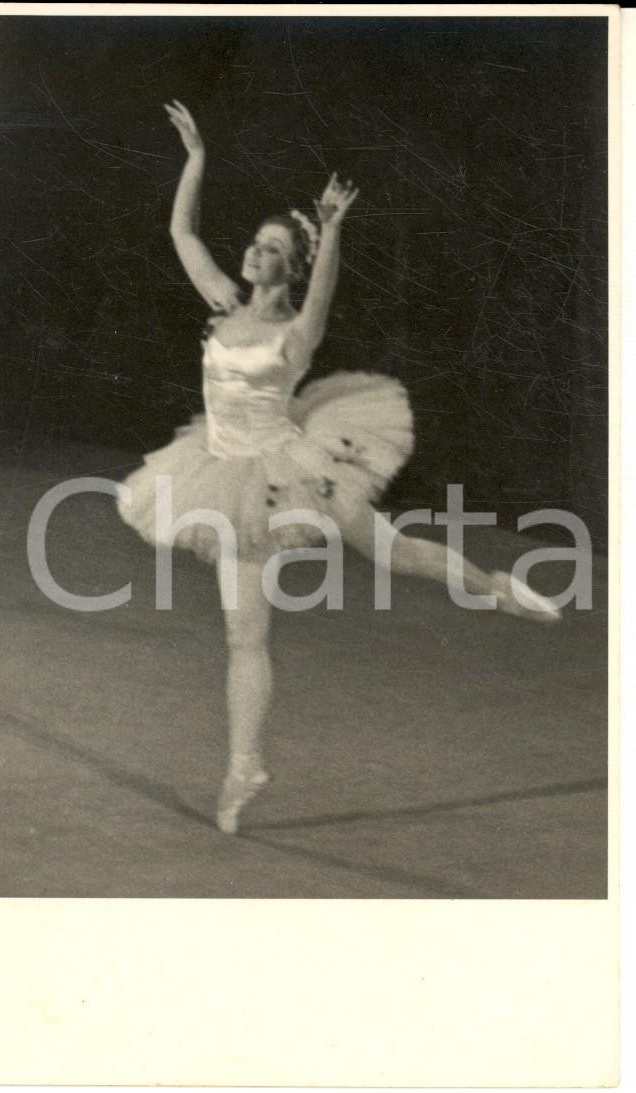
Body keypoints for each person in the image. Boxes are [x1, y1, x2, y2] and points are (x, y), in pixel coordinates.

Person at [117, 100, 560, 835]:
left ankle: (497, 587)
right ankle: (242, 768)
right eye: (254, 243)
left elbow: (321, 295)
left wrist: (332, 232)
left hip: (287, 470)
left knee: (388, 551)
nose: (253, 253)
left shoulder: (295, 333)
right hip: (224, 472)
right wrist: (197, 158)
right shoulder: (222, 305)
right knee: (243, 634)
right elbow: (181, 232)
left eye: (268, 247)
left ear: (288, 264)